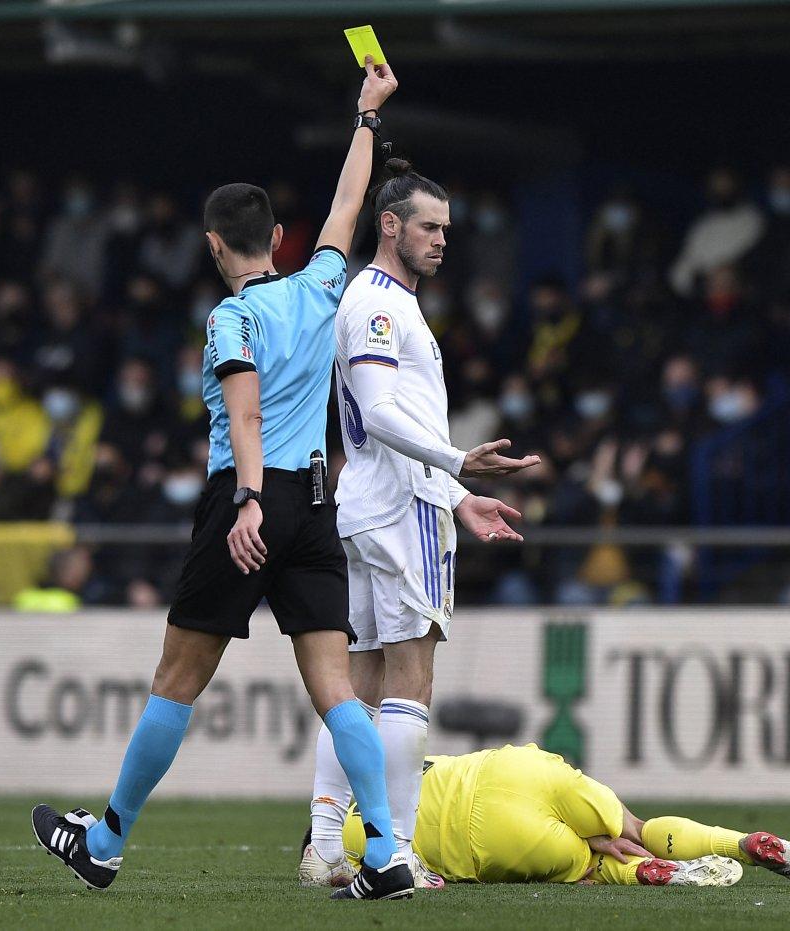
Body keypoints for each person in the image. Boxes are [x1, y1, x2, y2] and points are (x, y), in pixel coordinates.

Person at [31, 57, 414, 901]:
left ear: (212, 246)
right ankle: (385, 851)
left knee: (177, 678)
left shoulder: (232, 315)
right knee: (338, 690)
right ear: (279, 238)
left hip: (252, 498)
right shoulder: (320, 285)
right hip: (316, 503)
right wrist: (366, 116)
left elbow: (244, 414)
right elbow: (349, 205)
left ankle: (105, 841)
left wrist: (244, 497)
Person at [301, 159, 540, 894]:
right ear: (390, 225)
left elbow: (393, 419)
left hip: (379, 507)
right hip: (400, 515)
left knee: (361, 686)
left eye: (446, 229)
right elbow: (376, 414)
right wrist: (456, 463)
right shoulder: (378, 306)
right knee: (412, 677)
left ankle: (322, 846)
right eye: (429, 227)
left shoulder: (386, 301)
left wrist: (458, 496)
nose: (441, 240)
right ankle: (395, 848)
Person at [325, 744, 790, 889]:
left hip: (493, 836)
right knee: (631, 828)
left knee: (592, 869)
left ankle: (651, 874)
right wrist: (600, 830)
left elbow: (372, 870)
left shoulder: (356, 837)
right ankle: (741, 842)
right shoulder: (393, 769)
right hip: (517, 766)